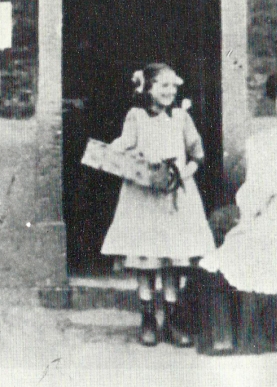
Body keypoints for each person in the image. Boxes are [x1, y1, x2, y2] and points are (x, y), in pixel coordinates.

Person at [198, 72, 277, 352]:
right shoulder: (261, 142)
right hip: (265, 210)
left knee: (271, 249)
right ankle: (226, 335)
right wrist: (250, 212)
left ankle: (252, 337)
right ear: (275, 102)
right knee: (231, 249)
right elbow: (254, 187)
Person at [100, 63, 215, 347]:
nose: (169, 91)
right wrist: (114, 149)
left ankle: (172, 321)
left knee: (172, 260)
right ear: (148, 88)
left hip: (175, 196)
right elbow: (126, 143)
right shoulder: (136, 116)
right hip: (143, 196)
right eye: (163, 86)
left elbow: (196, 154)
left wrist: (183, 174)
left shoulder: (181, 117)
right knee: (146, 257)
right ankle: (148, 320)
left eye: (173, 86)